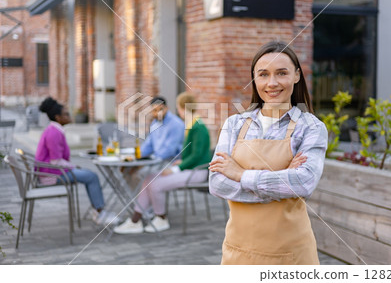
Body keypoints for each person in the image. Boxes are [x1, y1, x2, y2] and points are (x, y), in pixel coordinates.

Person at [208, 41, 328, 265]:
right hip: (239, 252)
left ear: (296, 76)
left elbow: (304, 182)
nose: (272, 83)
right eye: (263, 74)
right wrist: (281, 182)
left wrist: (241, 174)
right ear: (254, 79)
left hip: (290, 254)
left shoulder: (311, 127)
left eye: (281, 73)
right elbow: (217, 183)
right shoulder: (234, 123)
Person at [114, 92, 211, 234]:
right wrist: (137, 156)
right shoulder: (192, 125)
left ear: (180, 108)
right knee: (147, 179)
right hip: (188, 168)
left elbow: (197, 156)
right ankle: (136, 220)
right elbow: (192, 154)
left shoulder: (197, 127)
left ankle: (161, 218)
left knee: (154, 183)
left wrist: (176, 169)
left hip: (198, 172)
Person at [35, 97, 117, 225]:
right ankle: (100, 213)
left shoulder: (55, 130)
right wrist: (73, 166)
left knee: (89, 175)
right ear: (58, 117)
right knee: (91, 176)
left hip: (55, 171)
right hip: (52, 174)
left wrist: (72, 166)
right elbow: (55, 161)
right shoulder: (53, 133)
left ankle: (98, 210)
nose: (70, 116)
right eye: (66, 114)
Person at [140, 96, 185, 160]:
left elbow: (169, 150)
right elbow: (148, 145)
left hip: (172, 163)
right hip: (157, 161)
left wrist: (153, 158)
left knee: (141, 169)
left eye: (160, 109)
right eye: (155, 110)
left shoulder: (176, 124)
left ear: (167, 108)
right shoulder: (154, 123)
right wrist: (137, 155)